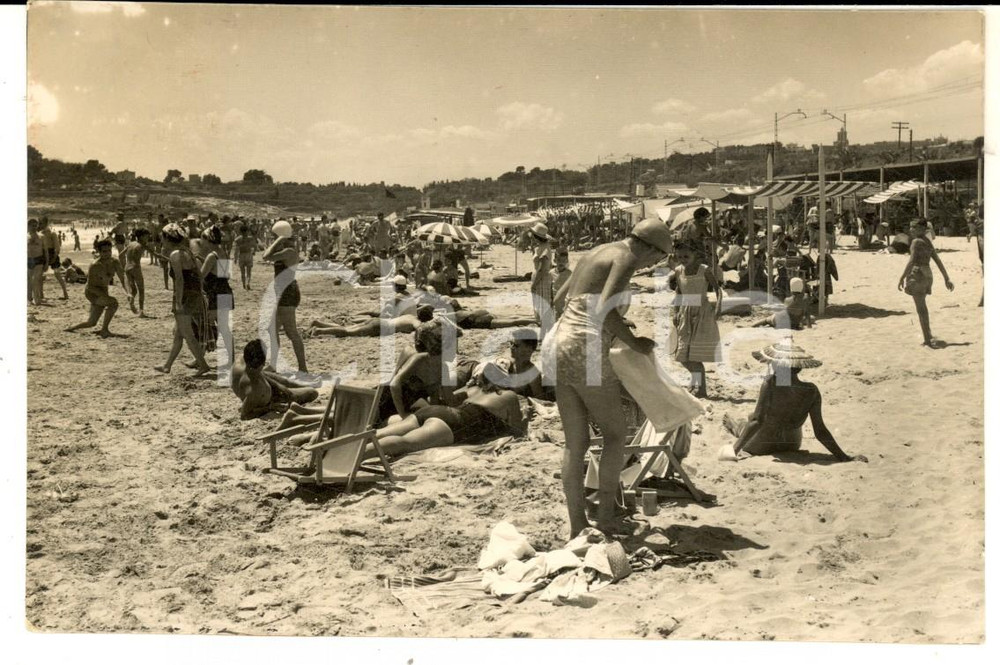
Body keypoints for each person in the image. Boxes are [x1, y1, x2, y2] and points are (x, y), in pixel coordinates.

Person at [546, 217, 673, 538]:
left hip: (559, 341)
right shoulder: (627, 256)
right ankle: (605, 518)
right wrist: (635, 342)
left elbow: (561, 299)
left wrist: (605, 324)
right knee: (616, 435)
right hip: (585, 345)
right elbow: (605, 308)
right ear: (650, 248)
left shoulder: (597, 251)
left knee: (575, 444)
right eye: (657, 259)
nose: (651, 264)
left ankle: (577, 525)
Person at [719, 341, 867, 463]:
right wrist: (844, 457)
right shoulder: (811, 390)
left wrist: (734, 451)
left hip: (762, 444)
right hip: (792, 443)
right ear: (798, 368)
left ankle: (734, 425)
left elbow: (758, 420)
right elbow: (820, 430)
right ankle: (737, 424)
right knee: (754, 417)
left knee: (750, 419)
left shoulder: (771, 383)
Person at [153, 223, 213, 376]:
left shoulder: (175, 255)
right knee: (179, 333)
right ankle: (167, 365)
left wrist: (178, 301)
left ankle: (203, 365)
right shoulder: (187, 252)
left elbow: (179, 280)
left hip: (185, 296)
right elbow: (198, 275)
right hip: (194, 295)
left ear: (168, 238)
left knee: (187, 333)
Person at [668, 241, 722, 398]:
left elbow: (718, 290)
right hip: (685, 312)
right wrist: (675, 312)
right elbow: (678, 293)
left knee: (695, 354)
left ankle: (701, 388)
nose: (683, 259)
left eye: (686, 256)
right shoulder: (678, 271)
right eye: (680, 257)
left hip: (702, 312)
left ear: (695, 255)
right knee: (682, 353)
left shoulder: (704, 270)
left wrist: (718, 308)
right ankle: (695, 383)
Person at [897, 218, 954, 348]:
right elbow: (937, 260)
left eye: (914, 227)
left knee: (920, 309)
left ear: (923, 229)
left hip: (917, 275)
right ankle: (928, 335)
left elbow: (911, 261)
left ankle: (927, 339)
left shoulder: (916, 242)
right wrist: (946, 278)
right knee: (923, 308)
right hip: (927, 274)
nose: (911, 229)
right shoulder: (927, 241)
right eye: (910, 227)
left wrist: (901, 277)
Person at [231, 339, 319, 420]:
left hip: (258, 379)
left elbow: (255, 374)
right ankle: (305, 387)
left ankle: (302, 385)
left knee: (285, 382)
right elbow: (245, 415)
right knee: (312, 392)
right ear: (263, 364)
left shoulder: (240, 362)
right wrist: (270, 407)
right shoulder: (255, 391)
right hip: (268, 396)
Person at [262, 220, 308, 375]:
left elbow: (266, 256)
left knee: (291, 332)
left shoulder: (288, 251)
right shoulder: (287, 251)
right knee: (272, 328)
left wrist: (279, 239)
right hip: (284, 292)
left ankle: (303, 368)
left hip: (287, 293)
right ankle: (274, 365)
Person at [65, 238, 129, 337]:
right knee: (113, 303)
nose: (107, 253)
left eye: (109, 251)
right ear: (99, 252)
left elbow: (123, 279)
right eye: (104, 251)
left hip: (103, 290)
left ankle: (71, 328)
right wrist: (105, 296)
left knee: (91, 322)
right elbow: (90, 286)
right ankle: (104, 330)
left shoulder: (115, 262)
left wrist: (128, 293)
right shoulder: (95, 266)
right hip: (92, 292)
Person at [200, 225, 235, 368]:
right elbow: (225, 275)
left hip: (214, 294)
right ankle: (231, 358)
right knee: (224, 327)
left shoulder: (211, 256)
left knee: (205, 325)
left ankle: (199, 358)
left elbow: (202, 275)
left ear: (209, 240)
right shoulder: (223, 253)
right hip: (225, 291)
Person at [747, 277, 813, 330]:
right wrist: (809, 327)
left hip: (781, 322)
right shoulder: (805, 298)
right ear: (801, 287)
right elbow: (807, 314)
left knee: (767, 320)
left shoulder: (787, 300)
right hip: (793, 325)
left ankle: (751, 326)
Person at [529, 222, 554, 335]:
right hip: (541, 277)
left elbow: (542, 269)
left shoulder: (545, 249)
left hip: (542, 279)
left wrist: (534, 283)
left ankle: (545, 334)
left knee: (543, 307)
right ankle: (544, 333)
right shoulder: (541, 248)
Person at [122, 228, 150, 316]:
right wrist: (167, 259)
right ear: (141, 237)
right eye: (146, 236)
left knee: (133, 290)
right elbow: (156, 254)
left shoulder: (131, 244)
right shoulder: (142, 245)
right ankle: (141, 311)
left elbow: (120, 255)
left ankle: (131, 301)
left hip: (127, 267)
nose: (148, 238)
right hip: (136, 268)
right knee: (141, 290)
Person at [39, 218, 69, 300]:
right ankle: (41, 294)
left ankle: (65, 293)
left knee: (57, 274)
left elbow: (57, 247)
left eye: (41, 223)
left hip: (52, 254)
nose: (40, 225)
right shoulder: (40, 234)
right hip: (44, 254)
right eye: (39, 223)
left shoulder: (52, 234)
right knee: (40, 275)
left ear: (46, 223)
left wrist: (55, 257)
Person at [27, 219, 46, 306]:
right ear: (28, 226)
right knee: (28, 280)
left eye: (36, 225)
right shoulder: (25, 237)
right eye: (32, 225)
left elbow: (45, 251)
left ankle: (37, 299)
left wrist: (47, 263)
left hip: (39, 259)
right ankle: (29, 299)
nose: (34, 227)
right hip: (29, 259)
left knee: (36, 280)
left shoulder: (41, 236)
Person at [233, 223, 257, 290]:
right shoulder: (250, 238)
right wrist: (254, 251)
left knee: (242, 272)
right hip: (248, 254)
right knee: (249, 272)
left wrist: (235, 258)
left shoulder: (238, 239)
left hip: (241, 255)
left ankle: (243, 285)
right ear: (247, 231)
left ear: (240, 231)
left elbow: (236, 250)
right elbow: (255, 246)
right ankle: (248, 283)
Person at [550, 247, 572, 315]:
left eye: (564, 261)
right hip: (555, 303)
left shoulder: (570, 274)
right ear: (554, 260)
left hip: (566, 303)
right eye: (559, 260)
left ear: (567, 261)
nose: (561, 263)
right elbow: (550, 288)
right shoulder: (551, 273)